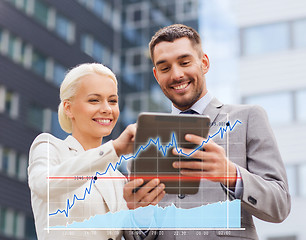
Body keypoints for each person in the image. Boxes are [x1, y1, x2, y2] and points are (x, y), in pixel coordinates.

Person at [123, 24, 291, 239]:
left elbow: (280, 206)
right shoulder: (145, 142)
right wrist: (139, 212)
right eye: (165, 68)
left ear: (204, 63)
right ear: (156, 75)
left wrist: (230, 174)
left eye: (185, 62)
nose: (176, 74)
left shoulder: (249, 118)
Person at [28, 63, 136, 240]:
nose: (107, 109)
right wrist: (114, 149)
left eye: (113, 101)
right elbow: (43, 184)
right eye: (94, 100)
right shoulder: (50, 147)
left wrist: (144, 207)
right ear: (68, 108)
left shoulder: (118, 178)